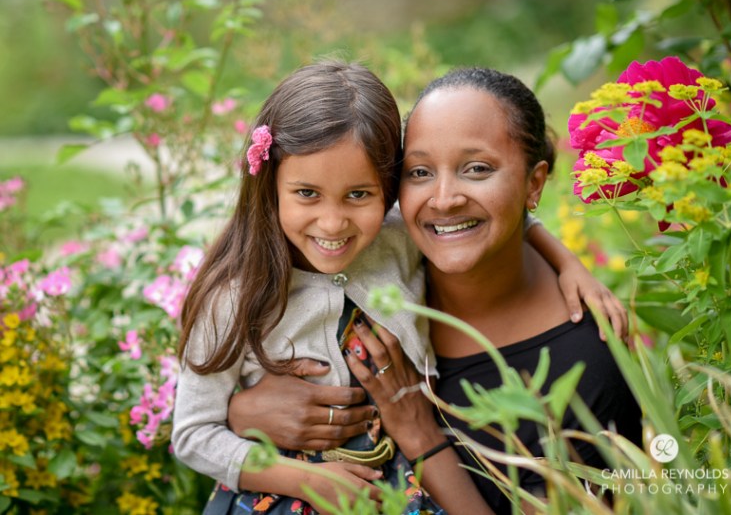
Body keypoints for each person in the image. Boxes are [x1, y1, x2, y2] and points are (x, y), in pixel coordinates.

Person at [227, 67, 642, 513]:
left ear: (534, 182)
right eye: (420, 171)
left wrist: (421, 436)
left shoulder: (587, 361)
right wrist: (240, 413)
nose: (443, 199)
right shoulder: (382, 260)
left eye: (477, 169)